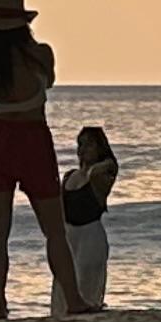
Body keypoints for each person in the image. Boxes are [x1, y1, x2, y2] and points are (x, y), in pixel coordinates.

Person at [0, 0, 86, 320]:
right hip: (33, 138)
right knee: (54, 230)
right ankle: (73, 299)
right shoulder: (40, 55)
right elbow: (48, 84)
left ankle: (0, 304)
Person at [62, 125, 120, 311]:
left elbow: (106, 167)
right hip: (70, 236)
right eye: (80, 145)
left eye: (89, 145)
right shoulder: (69, 176)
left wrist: (93, 165)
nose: (83, 150)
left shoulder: (101, 175)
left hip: (90, 234)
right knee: (65, 284)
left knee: (88, 282)